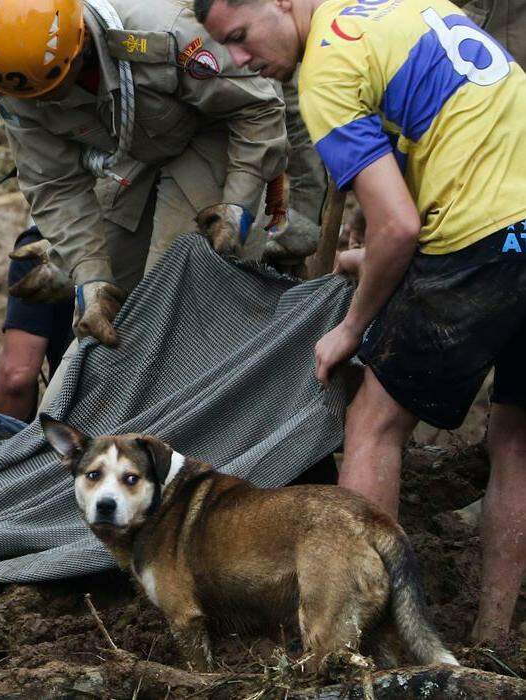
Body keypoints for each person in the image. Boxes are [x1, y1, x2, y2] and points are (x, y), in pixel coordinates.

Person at [195, 0, 526, 643]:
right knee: (515, 438)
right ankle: (494, 638)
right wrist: (365, 249)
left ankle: (353, 640)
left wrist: (351, 324)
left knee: (373, 425)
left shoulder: (326, 65)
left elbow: (399, 227)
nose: (239, 60)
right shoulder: (404, 7)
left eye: (239, 37)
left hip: (485, 236)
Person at [0, 0, 303, 348]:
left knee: (174, 302)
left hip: (213, 135)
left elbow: (258, 106)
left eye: (55, 87)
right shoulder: (14, 79)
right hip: (131, 151)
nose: (47, 101)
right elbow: (54, 185)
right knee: (102, 321)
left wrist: (238, 206)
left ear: (80, 44)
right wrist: (89, 276)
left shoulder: (161, 32)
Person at [0, 224, 74, 421]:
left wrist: (1, 447)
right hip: (153, 421)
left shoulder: (41, 249)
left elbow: (17, 376)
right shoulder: (156, 250)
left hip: (77, 432)